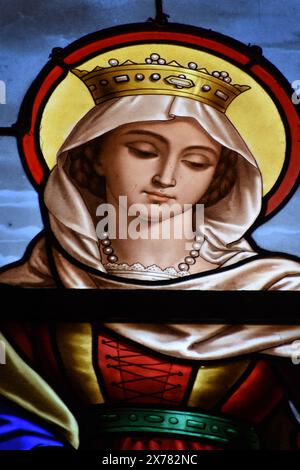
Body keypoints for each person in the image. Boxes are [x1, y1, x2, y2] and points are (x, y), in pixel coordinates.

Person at [1, 52, 300, 450]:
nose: (166, 177)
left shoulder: (275, 291)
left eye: (196, 162)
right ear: (94, 154)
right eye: (143, 151)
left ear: (220, 178)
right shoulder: (34, 287)